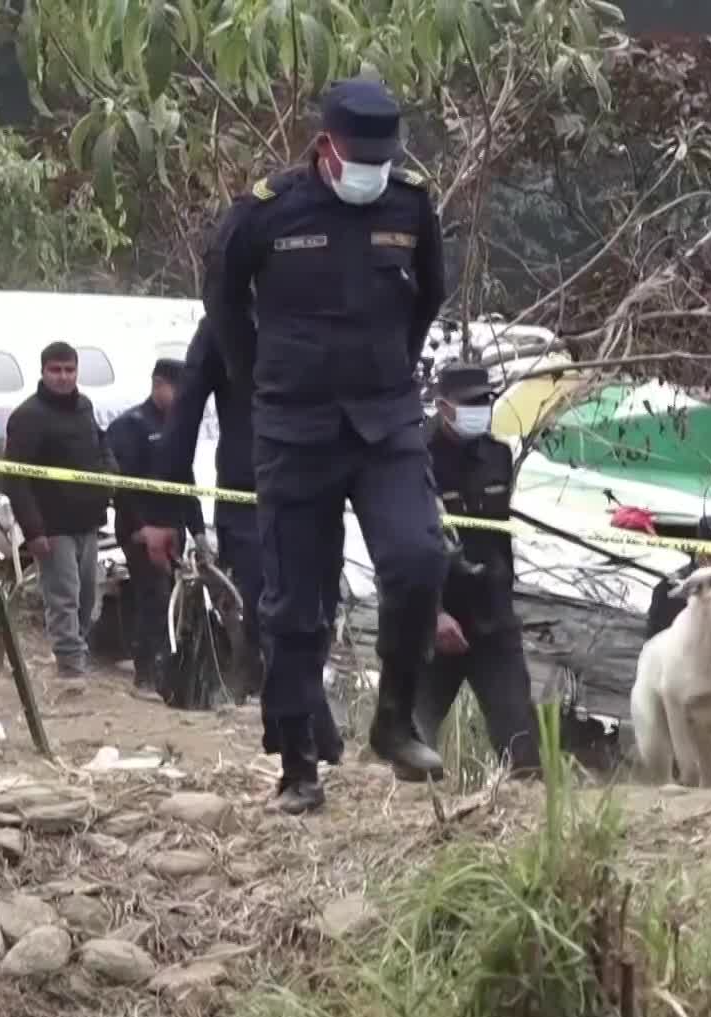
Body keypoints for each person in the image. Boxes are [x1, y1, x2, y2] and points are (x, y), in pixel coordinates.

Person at [205, 77, 449, 813]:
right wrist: (262, 383)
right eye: (358, 158)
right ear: (324, 149)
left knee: (418, 558)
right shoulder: (266, 212)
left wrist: (390, 373)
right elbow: (222, 300)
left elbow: (429, 296)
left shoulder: (410, 203)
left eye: (383, 159)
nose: (371, 173)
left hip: (384, 423)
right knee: (294, 604)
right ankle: (298, 762)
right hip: (294, 429)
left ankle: (396, 718)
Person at [138, 318, 346, 764]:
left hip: (318, 492)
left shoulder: (326, 304)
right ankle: (309, 738)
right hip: (249, 500)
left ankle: (297, 724)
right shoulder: (223, 326)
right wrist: (161, 513)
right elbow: (183, 417)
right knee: (273, 616)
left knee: (319, 614)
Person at [405, 366, 538, 776]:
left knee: (525, 756)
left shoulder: (497, 456)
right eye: (473, 403)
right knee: (408, 750)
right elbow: (404, 548)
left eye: (487, 401)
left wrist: (504, 604)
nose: (482, 410)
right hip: (431, 623)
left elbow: (498, 539)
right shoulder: (411, 459)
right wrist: (434, 614)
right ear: (444, 407)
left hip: (492, 620)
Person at [1, 342, 120, 680]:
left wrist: (110, 472)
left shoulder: (84, 406)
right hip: (53, 527)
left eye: (70, 370)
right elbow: (16, 478)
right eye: (56, 370)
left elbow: (101, 442)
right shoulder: (27, 416)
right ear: (43, 372)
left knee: (86, 598)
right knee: (63, 598)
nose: (64, 377)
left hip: (88, 522)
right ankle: (71, 672)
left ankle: (74, 657)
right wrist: (34, 531)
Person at [105, 358, 186, 692]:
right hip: (140, 527)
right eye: (178, 389)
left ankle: (166, 667)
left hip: (171, 527)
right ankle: (146, 672)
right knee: (153, 593)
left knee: (172, 599)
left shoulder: (178, 424)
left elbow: (186, 481)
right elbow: (120, 485)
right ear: (158, 385)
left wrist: (192, 529)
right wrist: (141, 527)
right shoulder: (132, 426)